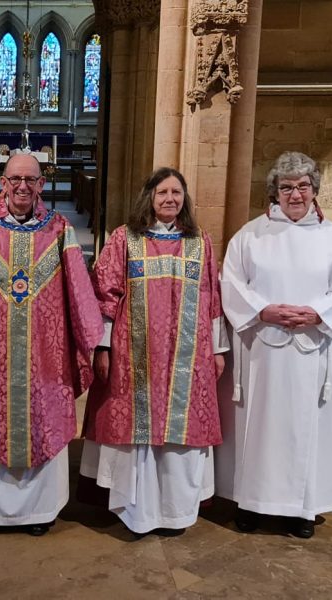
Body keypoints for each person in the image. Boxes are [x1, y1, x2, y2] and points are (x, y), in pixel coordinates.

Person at [0, 154, 103, 536]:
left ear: (42, 184)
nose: (23, 187)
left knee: (42, 422)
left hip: (44, 359)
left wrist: (90, 341)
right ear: (2, 182)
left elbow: (79, 293)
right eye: (15, 179)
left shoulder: (61, 230)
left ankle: (39, 512)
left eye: (31, 179)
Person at [79, 167, 227, 536]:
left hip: (187, 357)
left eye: (177, 193)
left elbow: (212, 298)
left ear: (185, 199)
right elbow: (106, 295)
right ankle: (136, 508)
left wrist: (218, 348)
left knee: (180, 430)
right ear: (149, 196)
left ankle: (174, 511)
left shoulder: (200, 243)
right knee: (135, 427)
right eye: (163, 192)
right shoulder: (124, 240)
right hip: (133, 355)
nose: (170, 199)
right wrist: (102, 346)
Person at [217, 152, 332, 539]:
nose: (295, 194)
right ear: (274, 191)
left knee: (304, 430)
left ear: (314, 190)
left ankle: (301, 510)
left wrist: (317, 314)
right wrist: (264, 310)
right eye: (287, 187)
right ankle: (250, 504)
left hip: (312, 348)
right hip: (262, 350)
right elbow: (232, 284)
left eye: (303, 186)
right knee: (258, 428)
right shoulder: (250, 234)